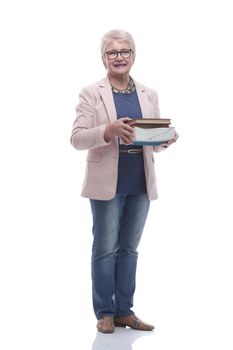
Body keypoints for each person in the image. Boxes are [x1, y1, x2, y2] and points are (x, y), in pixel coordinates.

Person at [70, 29, 178, 334]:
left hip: (140, 183)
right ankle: (104, 311)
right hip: (107, 184)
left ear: (134, 55)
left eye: (125, 51)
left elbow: (151, 142)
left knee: (130, 249)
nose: (120, 57)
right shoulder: (91, 93)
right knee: (106, 249)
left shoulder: (148, 94)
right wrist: (109, 130)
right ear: (103, 58)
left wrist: (164, 139)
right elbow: (77, 139)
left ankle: (124, 311)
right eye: (113, 52)